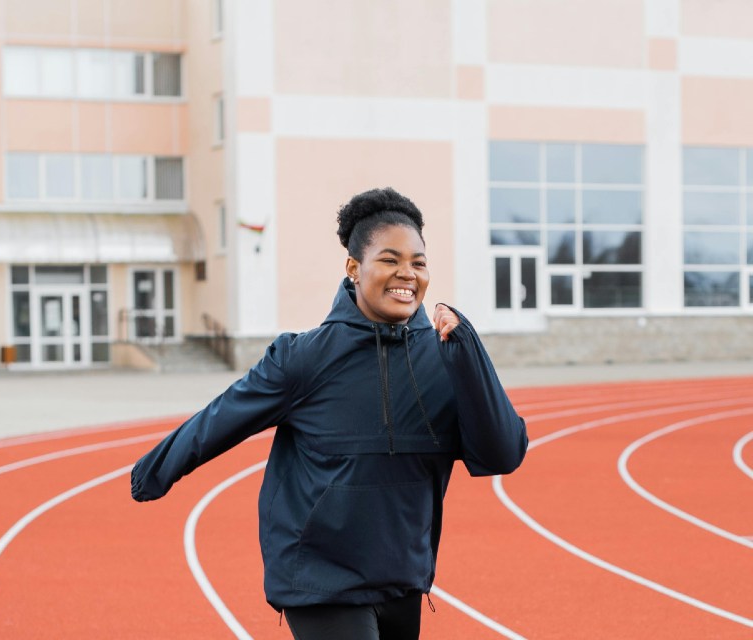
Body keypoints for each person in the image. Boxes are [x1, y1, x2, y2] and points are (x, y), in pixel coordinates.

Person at [131, 187, 528, 640]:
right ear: (354, 269)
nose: (407, 274)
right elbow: (222, 417)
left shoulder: (446, 358)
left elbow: (503, 454)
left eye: (418, 262)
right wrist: (153, 473)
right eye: (390, 259)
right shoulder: (304, 358)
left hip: (403, 576)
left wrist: (469, 352)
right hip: (319, 578)